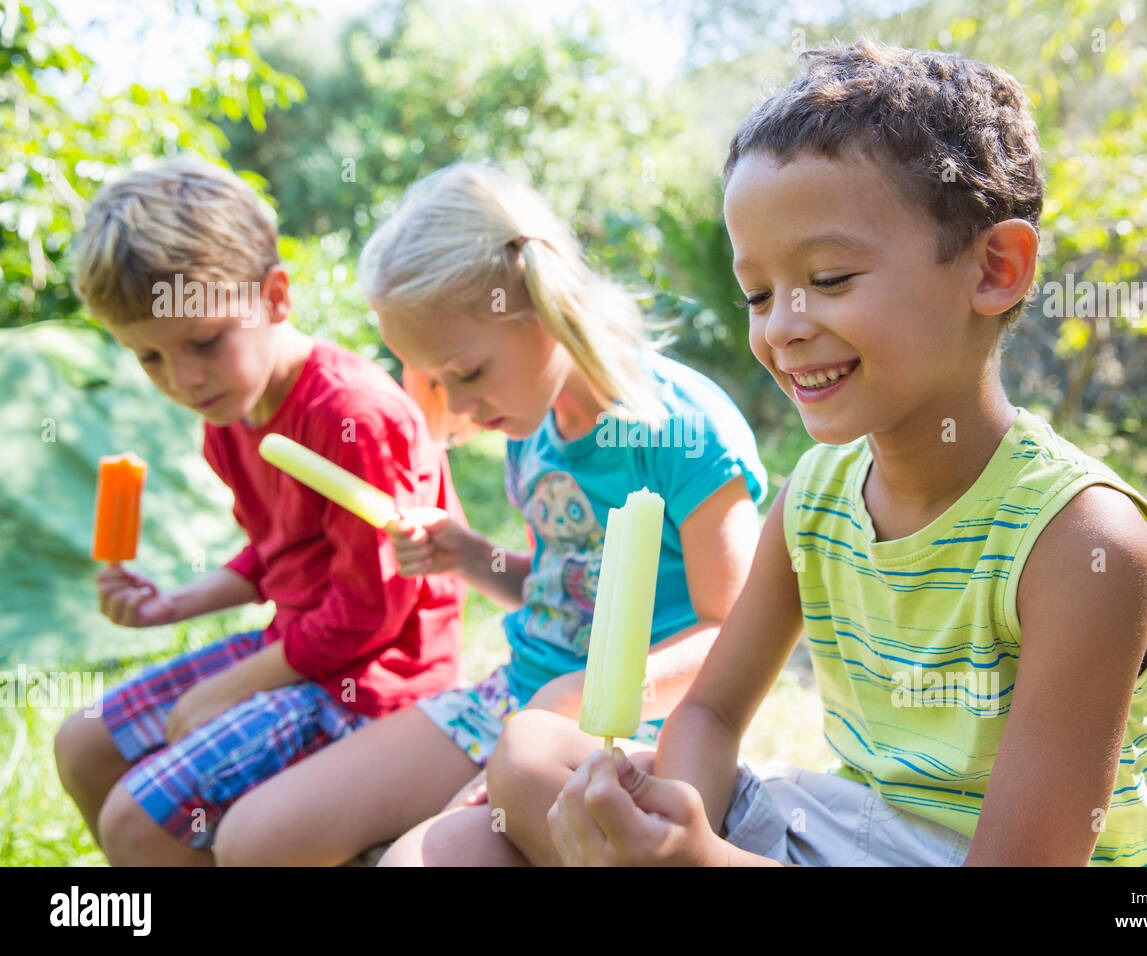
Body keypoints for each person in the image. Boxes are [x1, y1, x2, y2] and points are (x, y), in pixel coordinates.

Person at [531, 39, 1147, 866]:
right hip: (849, 829)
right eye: (759, 293)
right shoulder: (816, 495)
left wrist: (696, 862)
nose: (783, 326)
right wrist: (677, 820)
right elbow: (705, 715)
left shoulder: (1085, 544)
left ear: (995, 267)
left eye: (832, 278)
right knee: (529, 771)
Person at [208, 162, 767, 866]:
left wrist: (583, 697)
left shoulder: (683, 430)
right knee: (252, 840)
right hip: (515, 693)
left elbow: (736, 632)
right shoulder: (530, 429)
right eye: (438, 381)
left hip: (630, 730)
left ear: (544, 302)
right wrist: (471, 555)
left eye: (468, 373)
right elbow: (566, 586)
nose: (460, 406)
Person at [54, 158, 466, 865]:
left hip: (375, 680)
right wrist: (175, 604)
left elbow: (372, 611)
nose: (182, 379)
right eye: (149, 357)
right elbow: (275, 553)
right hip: (302, 643)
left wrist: (230, 688)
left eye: (205, 342)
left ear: (275, 297)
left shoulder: (352, 417)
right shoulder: (229, 413)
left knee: (139, 822)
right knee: (83, 742)